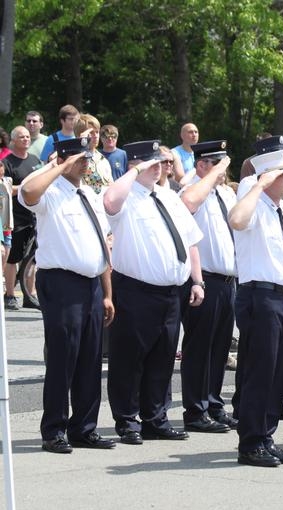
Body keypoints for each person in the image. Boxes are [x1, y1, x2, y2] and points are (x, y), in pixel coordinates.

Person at [103, 139, 204, 445]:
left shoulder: (169, 197)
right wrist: (135, 172)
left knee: (162, 358)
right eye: (152, 162)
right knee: (129, 358)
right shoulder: (125, 197)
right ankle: (127, 420)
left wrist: (197, 280)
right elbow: (108, 201)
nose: (159, 167)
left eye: (161, 162)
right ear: (135, 165)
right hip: (136, 290)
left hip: (172, 292)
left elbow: (190, 240)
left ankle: (155, 418)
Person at [19, 137, 115, 453]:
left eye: (88, 158)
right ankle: (54, 429)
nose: (86, 163)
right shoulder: (50, 192)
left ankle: (84, 427)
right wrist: (57, 166)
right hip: (61, 284)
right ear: (63, 159)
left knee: (90, 359)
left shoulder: (88, 194)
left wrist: (107, 293)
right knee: (64, 358)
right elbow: (27, 193)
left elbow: (101, 245)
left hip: (91, 284)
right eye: (80, 158)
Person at [228, 147, 283, 467]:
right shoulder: (252, 202)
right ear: (267, 176)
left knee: (278, 376)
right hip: (259, 296)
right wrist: (259, 185)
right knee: (259, 374)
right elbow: (235, 220)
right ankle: (250, 443)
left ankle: (266, 436)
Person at [178, 140, 238, 434]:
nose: (223, 170)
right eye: (217, 164)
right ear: (201, 165)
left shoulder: (225, 193)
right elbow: (188, 202)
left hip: (229, 280)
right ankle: (196, 409)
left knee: (220, 347)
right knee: (200, 347)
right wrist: (210, 176)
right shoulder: (194, 191)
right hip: (206, 279)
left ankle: (213, 403)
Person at [3, 125, 42, 310]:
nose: (26, 139)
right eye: (22, 137)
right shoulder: (7, 162)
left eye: (27, 136)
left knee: (34, 257)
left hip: (34, 216)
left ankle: (29, 294)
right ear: (13, 141)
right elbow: (6, 189)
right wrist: (26, 189)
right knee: (13, 258)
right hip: (16, 216)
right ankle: (10, 294)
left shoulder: (35, 160)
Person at [73, 114, 113, 195]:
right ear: (79, 135)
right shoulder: (74, 159)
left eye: (97, 132)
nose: (96, 136)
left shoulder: (102, 159)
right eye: (91, 132)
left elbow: (111, 186)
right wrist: (82, 144)